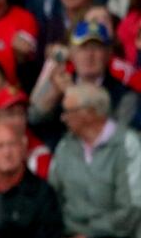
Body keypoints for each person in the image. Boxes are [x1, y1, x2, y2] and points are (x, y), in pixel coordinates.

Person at [48, 84, 141, 237]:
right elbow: (53, 198)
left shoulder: (128, 145)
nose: (63, 118)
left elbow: (131, 208)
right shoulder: (64, 146)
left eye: (68, 112)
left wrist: (90, 234)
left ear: (90, 113)